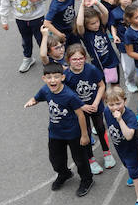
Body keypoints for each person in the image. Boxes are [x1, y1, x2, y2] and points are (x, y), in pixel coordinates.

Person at [24, 64, 94, 196]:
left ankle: (87, 179)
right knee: (55, 159)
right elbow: (37, 97)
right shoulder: (46, 90)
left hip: (73, 133)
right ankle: (64, 173)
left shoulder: (69, 95)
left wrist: (84, 135)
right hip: (55, 133)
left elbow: (80, 115)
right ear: (44, 78)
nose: (52, 80)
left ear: (62, 77)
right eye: (49, 78)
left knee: (80, 159)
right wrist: (33, 101)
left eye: (56, 77)